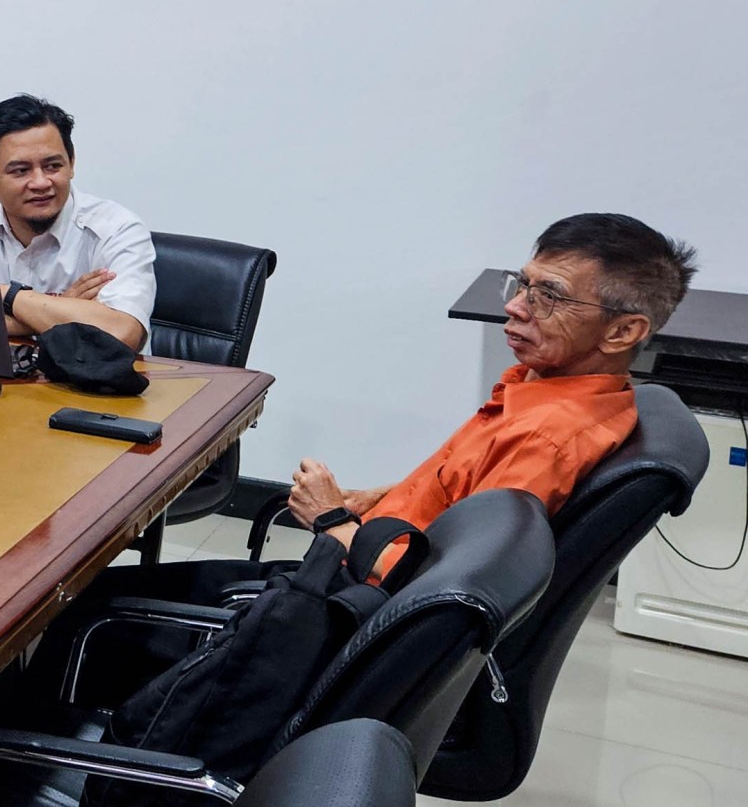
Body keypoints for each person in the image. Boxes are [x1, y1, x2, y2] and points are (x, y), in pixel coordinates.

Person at [285, 213, 694, 568]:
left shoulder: (542, 439)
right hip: (378, 543)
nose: (515, 306)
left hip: (356, 600)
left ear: (623, 332)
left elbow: (445, 586)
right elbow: (460, 488)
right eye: (523, 284)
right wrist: (374, 499)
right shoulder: (542, 386)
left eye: (549, 296)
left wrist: (331, 521)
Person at [0, 93, 155, 351]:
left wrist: (0, 293)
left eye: (53, 166)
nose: (40, 183)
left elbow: (122, 334)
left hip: (91, 377)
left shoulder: (117, 229)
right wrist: (60, 309)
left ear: (71, 164)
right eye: (20, 170)